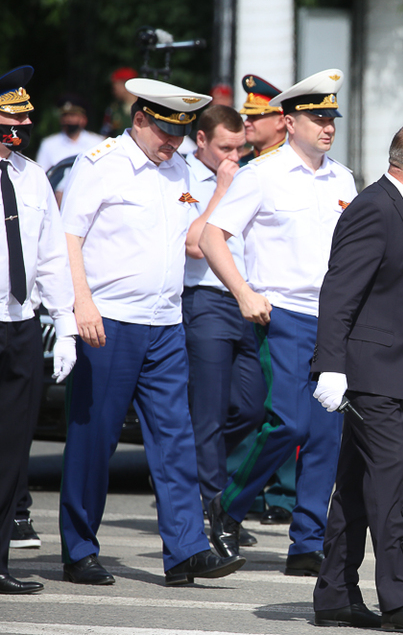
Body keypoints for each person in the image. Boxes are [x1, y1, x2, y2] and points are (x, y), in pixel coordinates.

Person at [58, 78, 245, 586]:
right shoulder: (101, 165)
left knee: (175, 439)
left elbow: (192, 239)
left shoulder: (179, 167)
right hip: (109, 319)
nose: (173, 142)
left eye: (180, 133)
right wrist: (81, 304)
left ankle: (186, 549)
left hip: (164, 321)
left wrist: (222, 193)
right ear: (139, 118)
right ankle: (79, 549)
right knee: (94, 439)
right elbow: (67, 237)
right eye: (164, 131)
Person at [199, 69, 356, 577]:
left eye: (331, 117)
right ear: (288, 121)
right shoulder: (261, 173)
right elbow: (211, 236)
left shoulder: (344, 178)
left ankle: (307, 541)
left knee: (326, 433)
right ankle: (228, 505)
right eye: (316, 118)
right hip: (282, 313)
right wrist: (243, 291)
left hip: (333, 318)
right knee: (286, 421)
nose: (327, 127)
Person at [311, 122, 403, 630]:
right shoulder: (375, 208)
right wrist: (328, 366)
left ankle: (334, 594)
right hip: (368, 376)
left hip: (391, 373)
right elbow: (339, 292)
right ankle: (398, 598)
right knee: (390, 485)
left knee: (354, 487)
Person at [0, 65, 77, 595]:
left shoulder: (30, 176)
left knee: (11, 450)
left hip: (20, 325)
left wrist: (65, 322)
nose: (21, 125)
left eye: (24, 117)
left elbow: (50, 255)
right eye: (11, 115)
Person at [181, 105, 266, 538]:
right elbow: (196, 245)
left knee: (252, 407)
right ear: (202, 142)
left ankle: (201, 478)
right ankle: (215, 510)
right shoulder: (184, 177)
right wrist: (221, 189)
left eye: (240, 146)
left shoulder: (249, 174)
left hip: (243, 300)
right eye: (224, 147)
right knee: (209, 413)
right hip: (204, 300)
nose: (234, 155)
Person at [230, 73, 297, 526]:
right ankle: (242, 494)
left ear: (282, 121)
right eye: (247, 115)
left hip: (289, 306)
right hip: (250, 302)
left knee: (289, 411)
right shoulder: (252, 169)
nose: (248, 123)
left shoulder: (298, 169)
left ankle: (286, 495)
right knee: (253, 407)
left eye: (258, 116)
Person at [35, 95, 104, 171]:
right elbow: (42, 173)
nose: (68, 119)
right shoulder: (48, 144)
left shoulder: (97, 142)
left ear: (83, 119)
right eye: (65, 115)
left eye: (73, 115)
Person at [238, 74, 285, 166]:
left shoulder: (294, 163)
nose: (246, 123)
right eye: (247, 116)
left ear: (281, 122)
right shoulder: (239, 165)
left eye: (255, 116)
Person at [99, 67, 137, 137]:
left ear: (125, 84)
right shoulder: (113, 109)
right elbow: (105, 133)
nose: (113, 90)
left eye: (115, 85)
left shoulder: (143, 107)